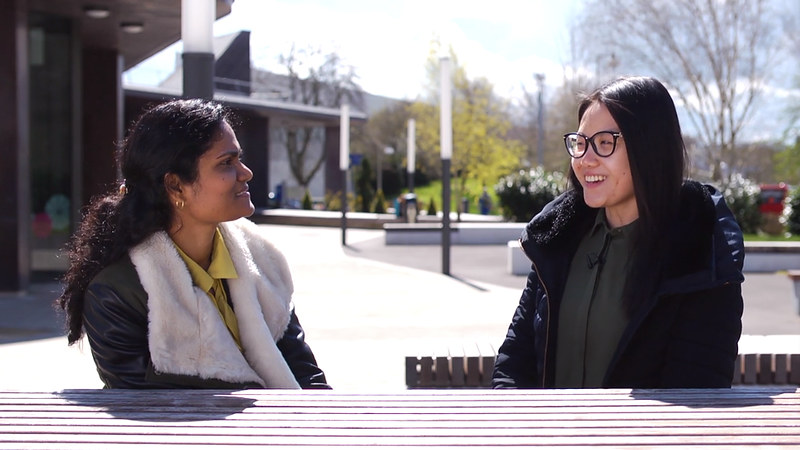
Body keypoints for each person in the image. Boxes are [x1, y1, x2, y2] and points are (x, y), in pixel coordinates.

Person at [56, 99, 329, 389]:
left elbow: (307, 377)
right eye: (226, 162)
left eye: (239, 158)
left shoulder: (262, 259)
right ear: (175, 185)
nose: (245, 172)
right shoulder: (117, 294)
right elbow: (148, 411)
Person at [493, 76, 744, 389]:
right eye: (580, 143)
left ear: (649, 147)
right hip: (549, 436)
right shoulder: (557, 238)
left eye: (604, 143)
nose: (585, 160)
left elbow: (696, 394)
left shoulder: (701, 253)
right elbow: (515, 360)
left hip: (644, 438)